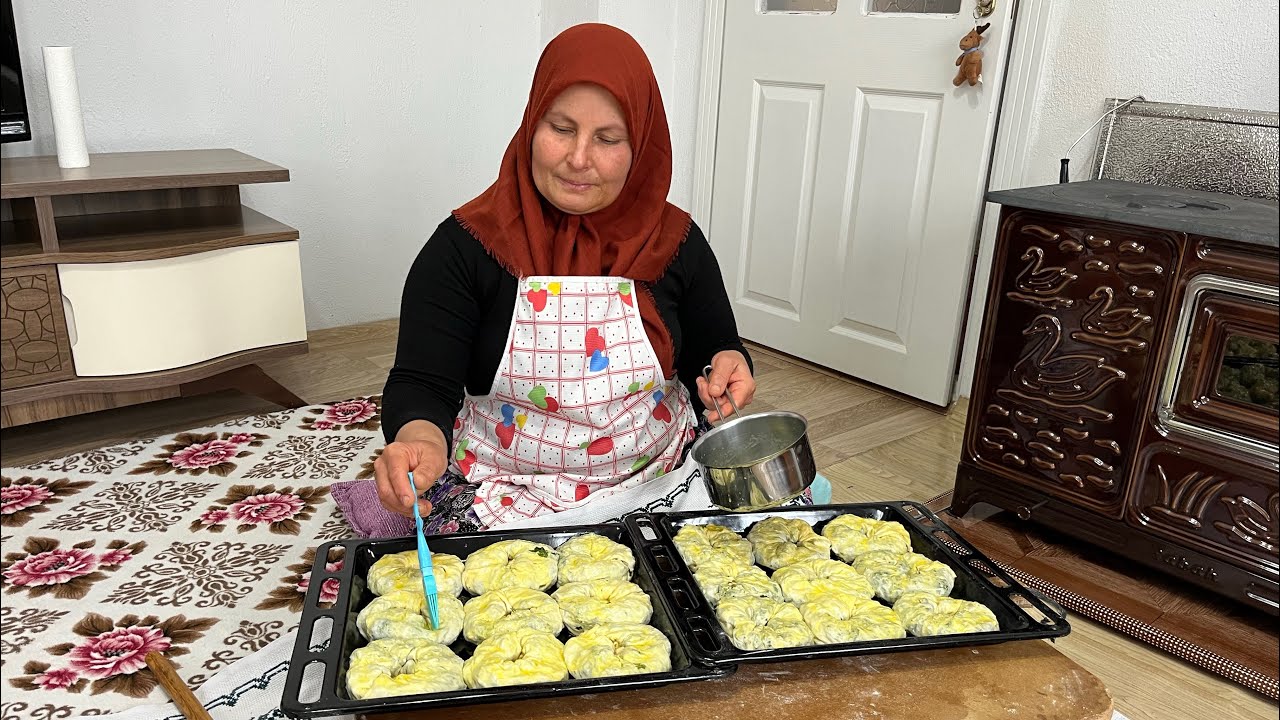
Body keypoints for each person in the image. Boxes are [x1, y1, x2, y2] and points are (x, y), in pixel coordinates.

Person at [332, 23, 774, 537]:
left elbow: (714, 345)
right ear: (531, 124)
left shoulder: (676, 243)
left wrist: (727, 366)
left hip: (658, 477)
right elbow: (422, 380)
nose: (578, 158)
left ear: (642, 146)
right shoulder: (465, 246)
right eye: (561, 129)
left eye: (608, 138)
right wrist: (421, 439)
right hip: (506, 487)